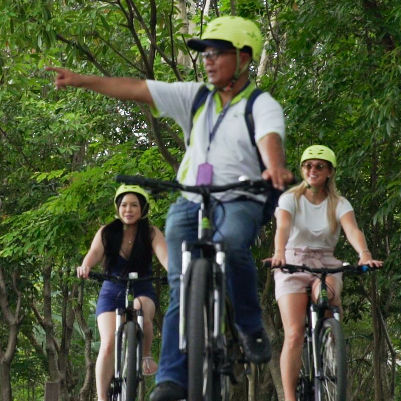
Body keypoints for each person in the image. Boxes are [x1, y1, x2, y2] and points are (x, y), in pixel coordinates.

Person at [51, 15, 293, 401]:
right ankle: (171, 379)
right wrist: (83, 80)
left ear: (244, 58)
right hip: (190, 200)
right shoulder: (195, 96)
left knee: (231, 243)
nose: (208, 60)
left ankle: (249, 325)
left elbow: (269, 138)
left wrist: (275, 167)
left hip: (241, 197)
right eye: (205, 54)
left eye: (218, 53)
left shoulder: (262, 105)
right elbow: (135, 88)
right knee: (181, 285)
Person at [265, 145, 383, 401]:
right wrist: (279, 252)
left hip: (325, 262)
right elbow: (282, 226)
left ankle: (330, 345)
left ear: (330, 172)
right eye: (308, 166)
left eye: (319, 166)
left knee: (327, 299)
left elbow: (352, 230)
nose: (313, 170)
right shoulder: (290, 199)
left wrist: (364, 254)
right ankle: (289, 397)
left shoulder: (338, 203)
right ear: (302, 170)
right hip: (292, 261)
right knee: (294, 332)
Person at [77, 184, 168, 401]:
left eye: (134, 205)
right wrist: (85, 267)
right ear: (118, 208)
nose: (128, 210)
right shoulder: (107, 231)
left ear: (143, 208)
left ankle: (145, 355)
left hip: (142, 286)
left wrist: (177, 273)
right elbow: (93, 254)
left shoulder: (151, 232)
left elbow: (167, 259)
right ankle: (101, 398)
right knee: (108, 343)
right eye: (124, 205)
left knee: (141, 309)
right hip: (112, 287)